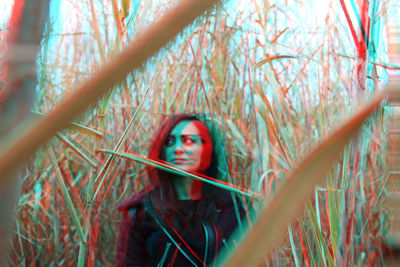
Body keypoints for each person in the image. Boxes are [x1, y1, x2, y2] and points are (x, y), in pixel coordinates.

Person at [116, 113, 246, 266]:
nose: (177, 149)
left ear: (208, 150)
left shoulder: (230, 208)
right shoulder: (142, 211)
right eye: (170, 142)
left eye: (189, 140)